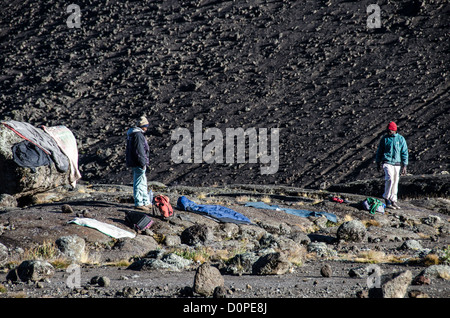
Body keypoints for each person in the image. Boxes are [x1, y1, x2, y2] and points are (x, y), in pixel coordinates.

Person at [375, 121, 409, 209]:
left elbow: (404, 152)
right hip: (387, 162)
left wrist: (404, 165)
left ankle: (393, 200)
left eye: (390, 130)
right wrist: (378, 162)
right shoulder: (385, 139)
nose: (388, 132)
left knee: (395, 181)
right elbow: (380, 151)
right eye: (388, 130)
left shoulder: (401, 139)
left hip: (397, 163)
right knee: (389, 179)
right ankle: (386, 198)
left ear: (394, 130)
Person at [126, 116, 152, 211]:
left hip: (135, 161)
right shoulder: (138, 135)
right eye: (146, 125)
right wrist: (143, 163)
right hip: (138, 162)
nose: (147, 127)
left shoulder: (133, 134)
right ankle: (139, 203)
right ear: (143, 126)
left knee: (143, 182)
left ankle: (146, 201)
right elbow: (140, 151)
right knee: (139, 182)